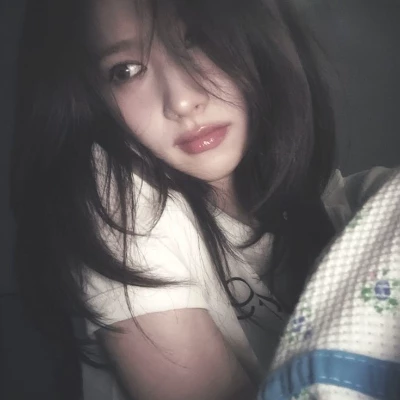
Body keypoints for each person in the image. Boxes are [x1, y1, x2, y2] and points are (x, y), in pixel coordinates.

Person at [9, 0, 392, 399]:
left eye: (199, 39)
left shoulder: (338, 201)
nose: (181, 101)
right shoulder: (117, 190)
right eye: (126, 71)